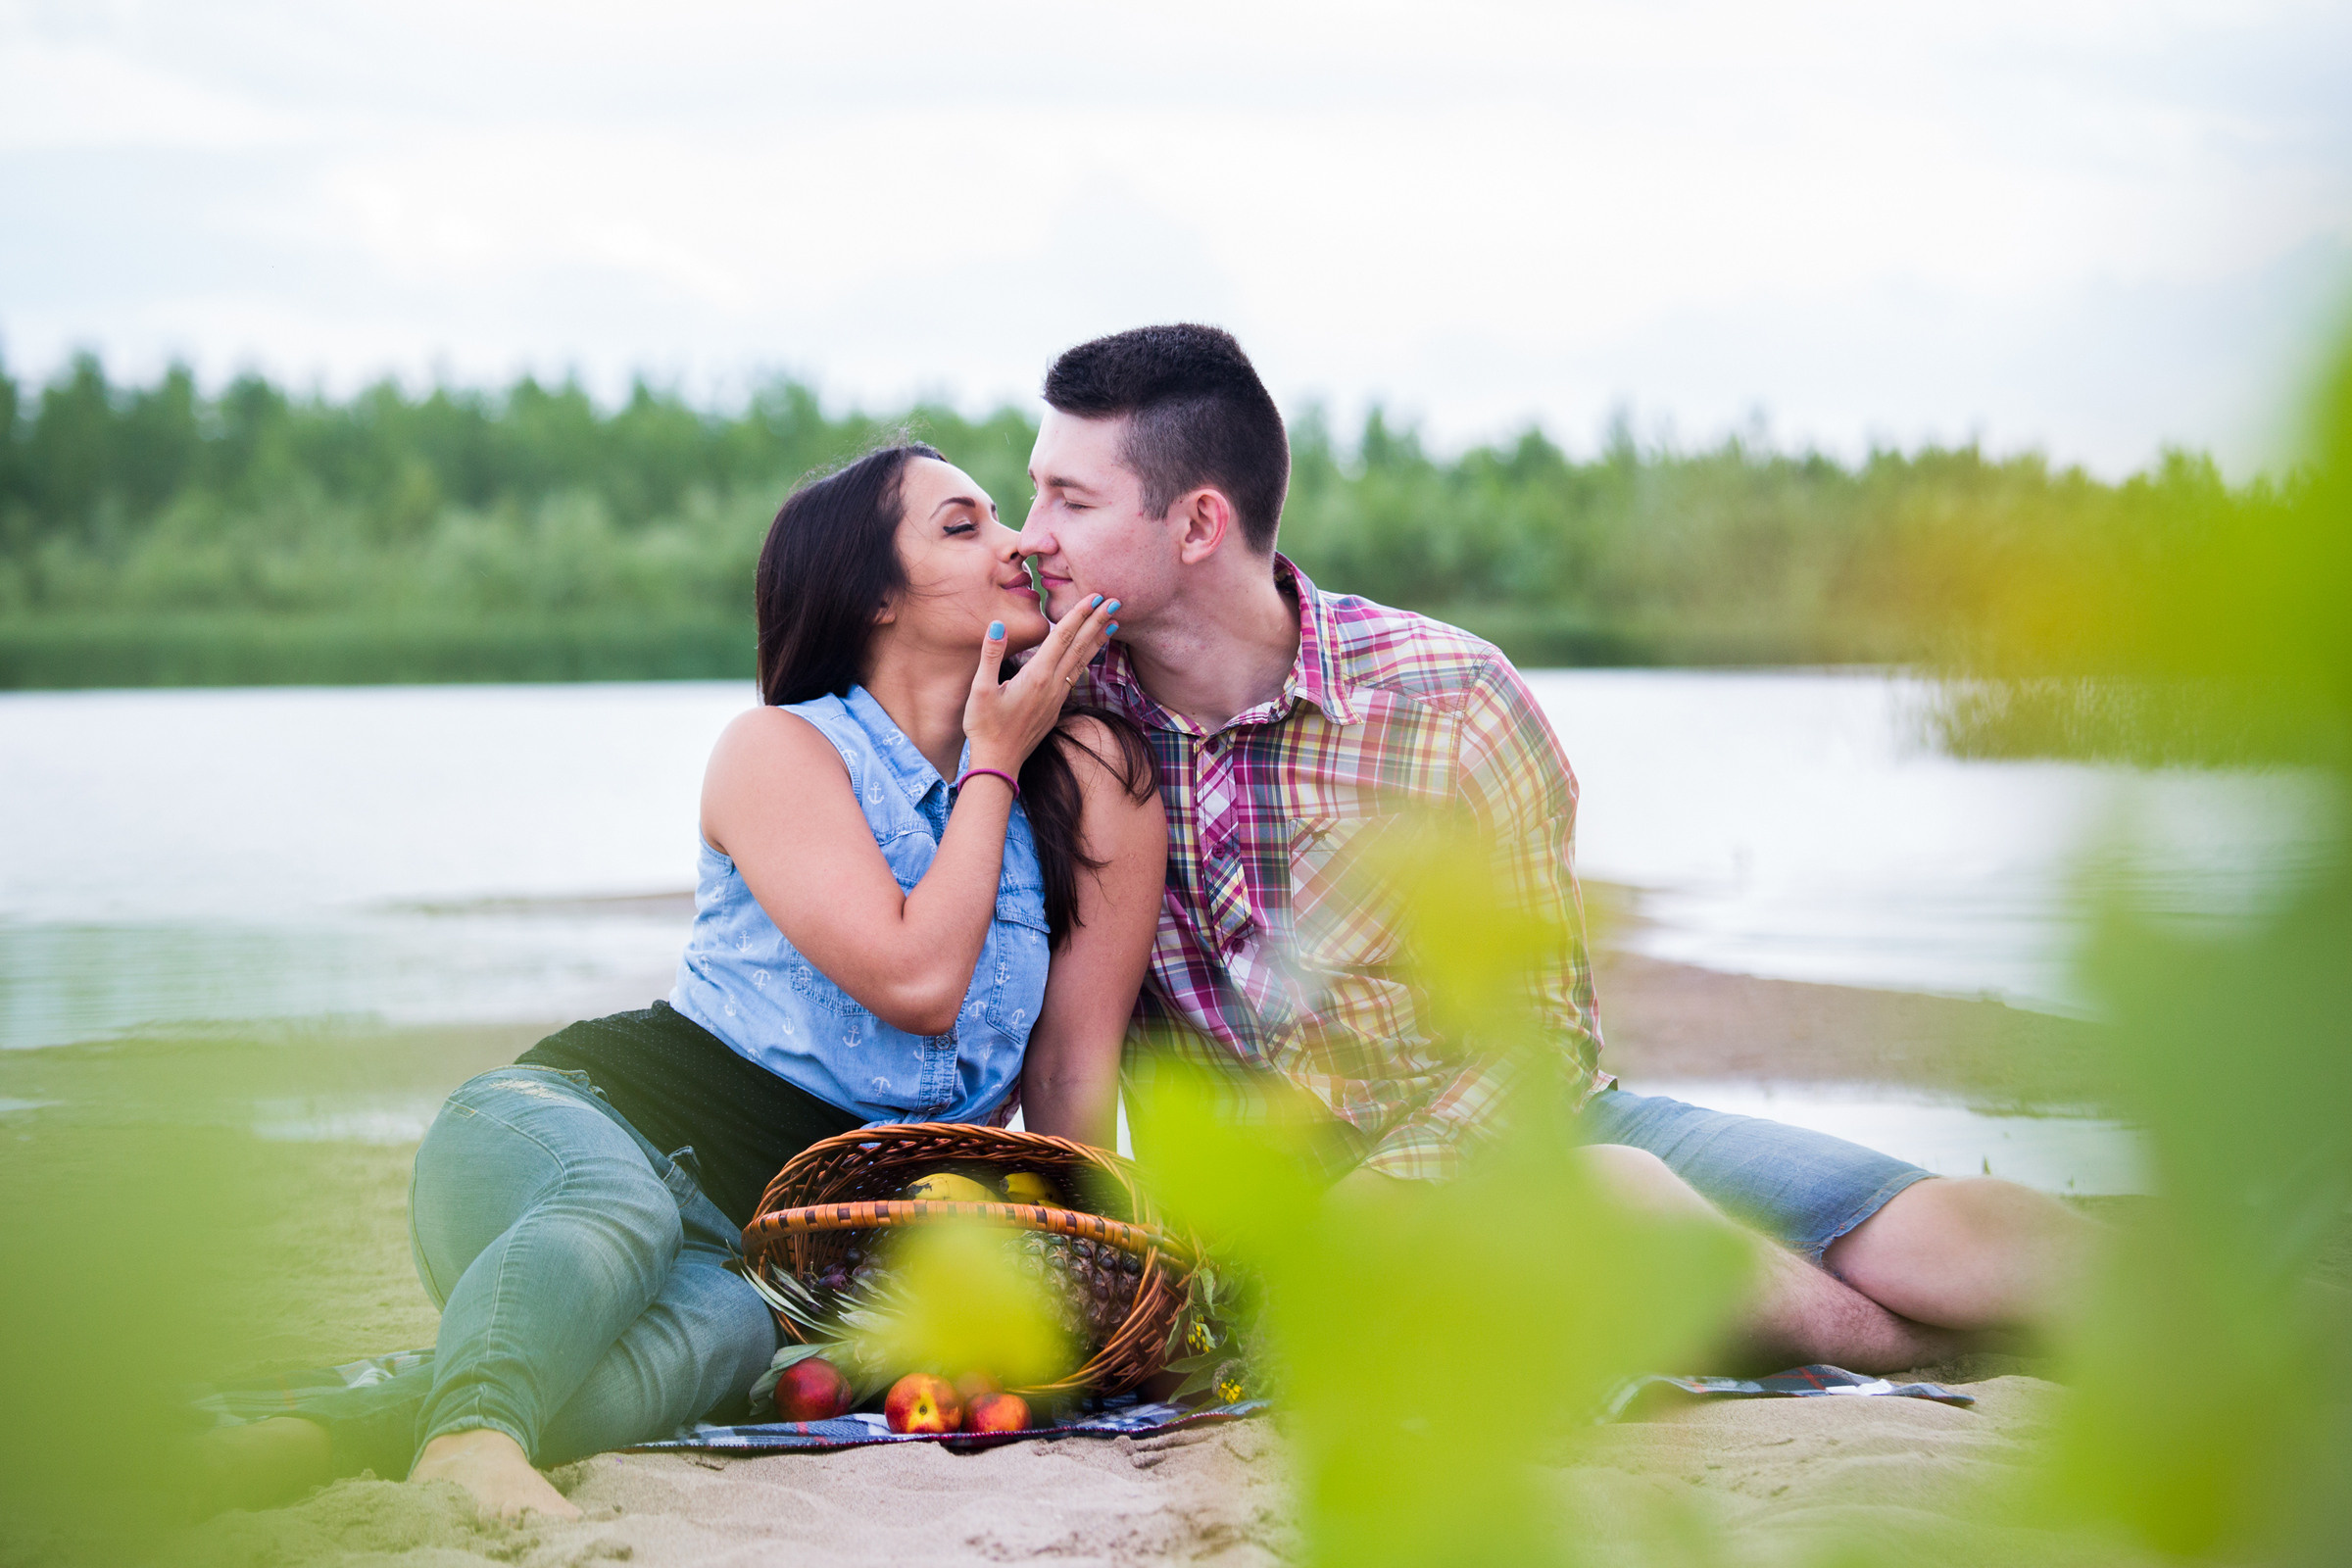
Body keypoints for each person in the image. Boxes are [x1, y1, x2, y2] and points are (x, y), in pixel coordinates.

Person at [1012, 323, 2094, 1372]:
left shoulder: (1452, 700)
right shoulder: (1070, 728)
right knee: (1619, 1200)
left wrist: (1400, 1181)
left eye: (1070, 498)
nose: (1031, 533)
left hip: (1520, 1130)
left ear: (1198, 525)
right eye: (1034, 492)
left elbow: (1541, 1036)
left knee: (1948, 1234)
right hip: (1299, 1225)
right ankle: (1898, 1353)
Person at [203, 444, 1164, 1521]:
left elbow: (1071, 1072)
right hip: (572, 1130)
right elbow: (917, 980)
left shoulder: (1088, 786)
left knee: (703, 1352)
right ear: (876, 596)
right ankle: (472, 1437)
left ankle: (335, 1435)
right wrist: (992, 755)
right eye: (964, 524)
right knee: (623, 1210)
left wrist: (1086, 1268)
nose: (1021, 541)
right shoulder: (777, 751)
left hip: (770, 1254)